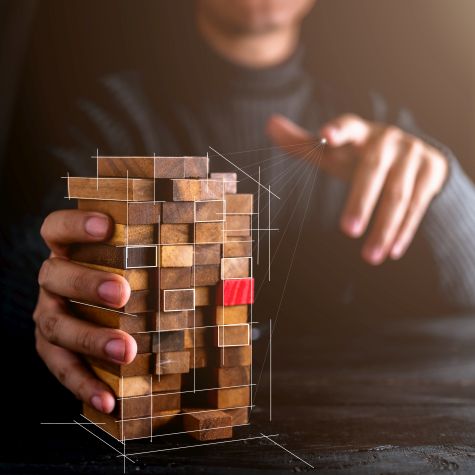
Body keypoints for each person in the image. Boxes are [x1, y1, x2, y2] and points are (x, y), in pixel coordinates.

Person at [3, 0, 475, 417]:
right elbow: (30, 267)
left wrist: (445, 190)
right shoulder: (114, 118)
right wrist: (57, 298)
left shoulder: (378, 121)